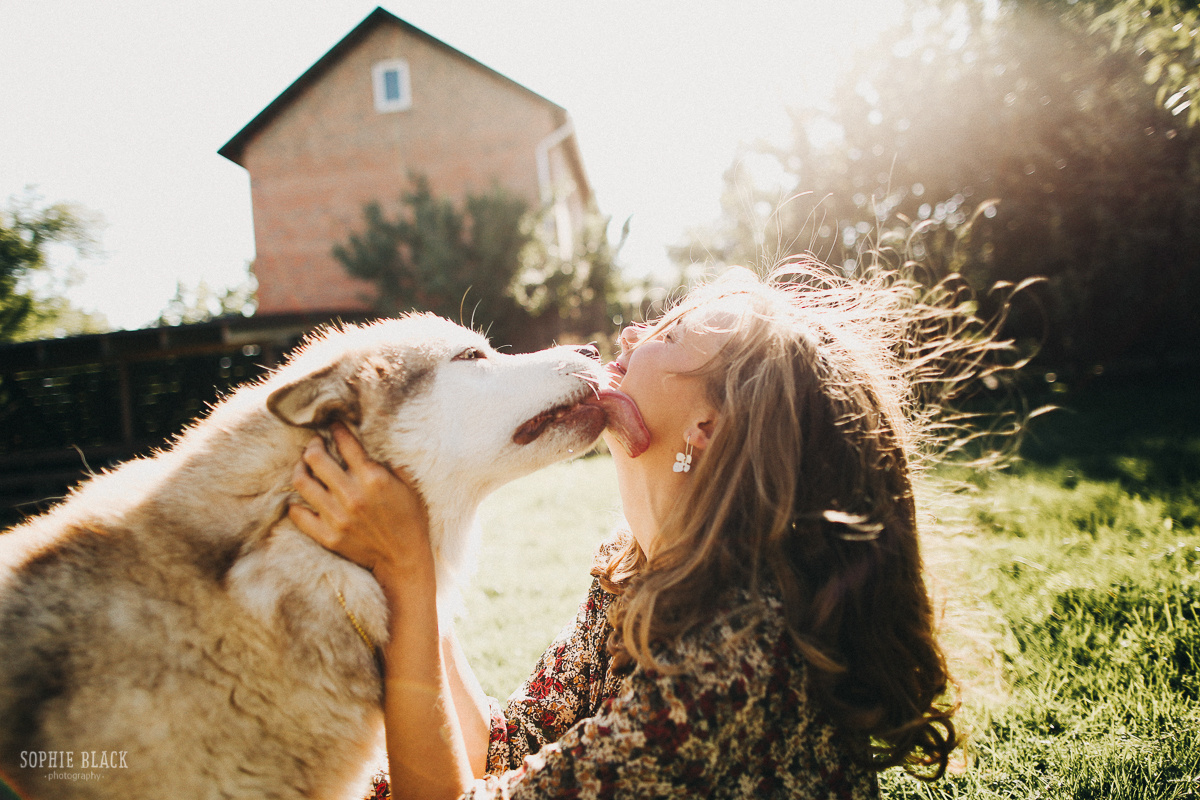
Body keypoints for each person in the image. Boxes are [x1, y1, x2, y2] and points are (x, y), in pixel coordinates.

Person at [290, 266, 961, 800]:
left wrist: (406, 575)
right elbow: (503, 749)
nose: (635, 333)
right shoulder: (633, 569)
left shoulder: (733, 655)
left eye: (667, 336)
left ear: (708, 431)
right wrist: (414, 551)